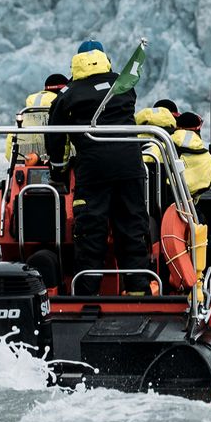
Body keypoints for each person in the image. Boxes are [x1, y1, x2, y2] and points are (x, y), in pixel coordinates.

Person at [46, 41, 150, 290]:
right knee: (132, 228)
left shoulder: (67, 94)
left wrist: (58, 171)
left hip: (93, 171)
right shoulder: (123, 86)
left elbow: (55, 136)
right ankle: (138, 292)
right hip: (130, 166)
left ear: (76, 62)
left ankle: (86, 295)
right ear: (105, 59)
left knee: (90, 231)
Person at [5, 73, 68, 162]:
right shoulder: (62, 108)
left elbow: (10, 145)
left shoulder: (26, 112)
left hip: (27, 162)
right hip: (56, 164)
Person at [171, 120, 211, 198]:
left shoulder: (160, 147)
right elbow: (210, 181)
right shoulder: (208, 159)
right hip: (189, 203)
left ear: (177, 127)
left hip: (160, 199)